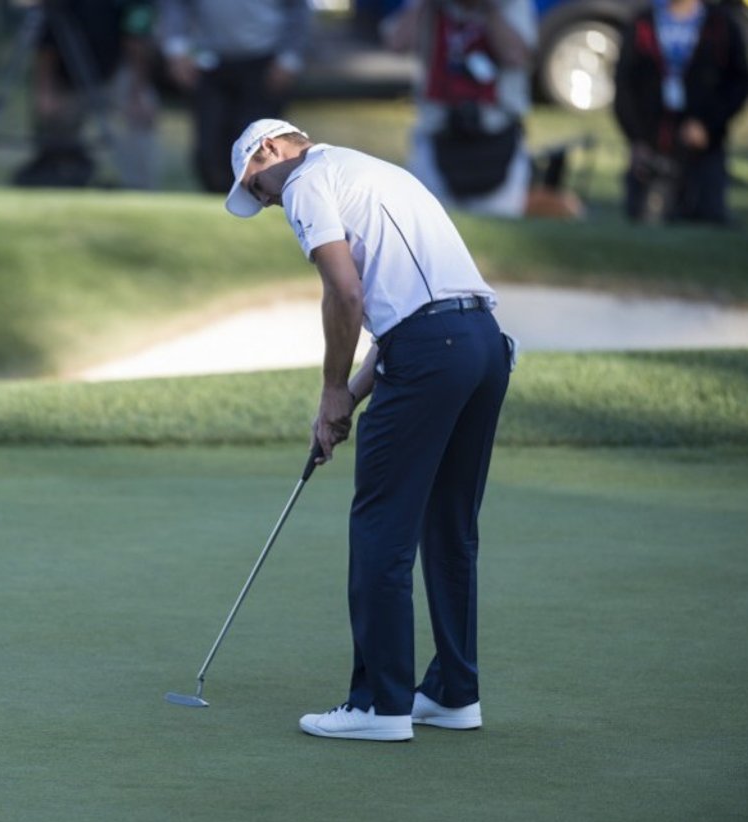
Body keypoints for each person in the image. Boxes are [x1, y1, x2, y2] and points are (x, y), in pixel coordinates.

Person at [225, 118, 513, 741]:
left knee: (381, 525)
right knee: (450, 527)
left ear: (269, 150)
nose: (268, 203)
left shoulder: (305, 182)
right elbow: (418, 312)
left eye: (257, 188)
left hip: (430, 350)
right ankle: (453, 693)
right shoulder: (373, 170)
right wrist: (346, 401)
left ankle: (380, 705)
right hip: (484, 344)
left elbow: (346, 296)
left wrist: (329, 388)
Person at [383, 0, 536, 218]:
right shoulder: (431, 7)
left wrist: (489, 9)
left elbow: (516, 56)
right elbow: (396, 43)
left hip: (496, 135)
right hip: (438, 133)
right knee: (429, 228)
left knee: (497, 222)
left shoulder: (509, 5)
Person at [613, 0, 748, 224]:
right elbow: (625, 85)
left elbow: (738, 83)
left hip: (703, 145)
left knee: (707, 216)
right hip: (652, 141)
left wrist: (708, 125)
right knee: (646, 216)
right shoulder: (643, 23)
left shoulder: (720, 25)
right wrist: (636, 136)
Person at [158, 0, 312, 193]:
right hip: (209, 62)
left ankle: (255, 203)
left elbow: (298, 9)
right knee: (209, 152)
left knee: (258, 153)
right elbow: (175, 6)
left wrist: (290, 59)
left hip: (264, 64)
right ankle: (219, 207)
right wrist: (176, 50)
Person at [15, 0, 159, 190]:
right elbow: (46, 44)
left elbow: (137, 40)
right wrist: (45, 91)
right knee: (56, 126)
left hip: (115, 68)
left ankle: (139, 188)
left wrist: (137, 92)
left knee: (142, 111)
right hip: (67, 76)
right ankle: (63, 179)